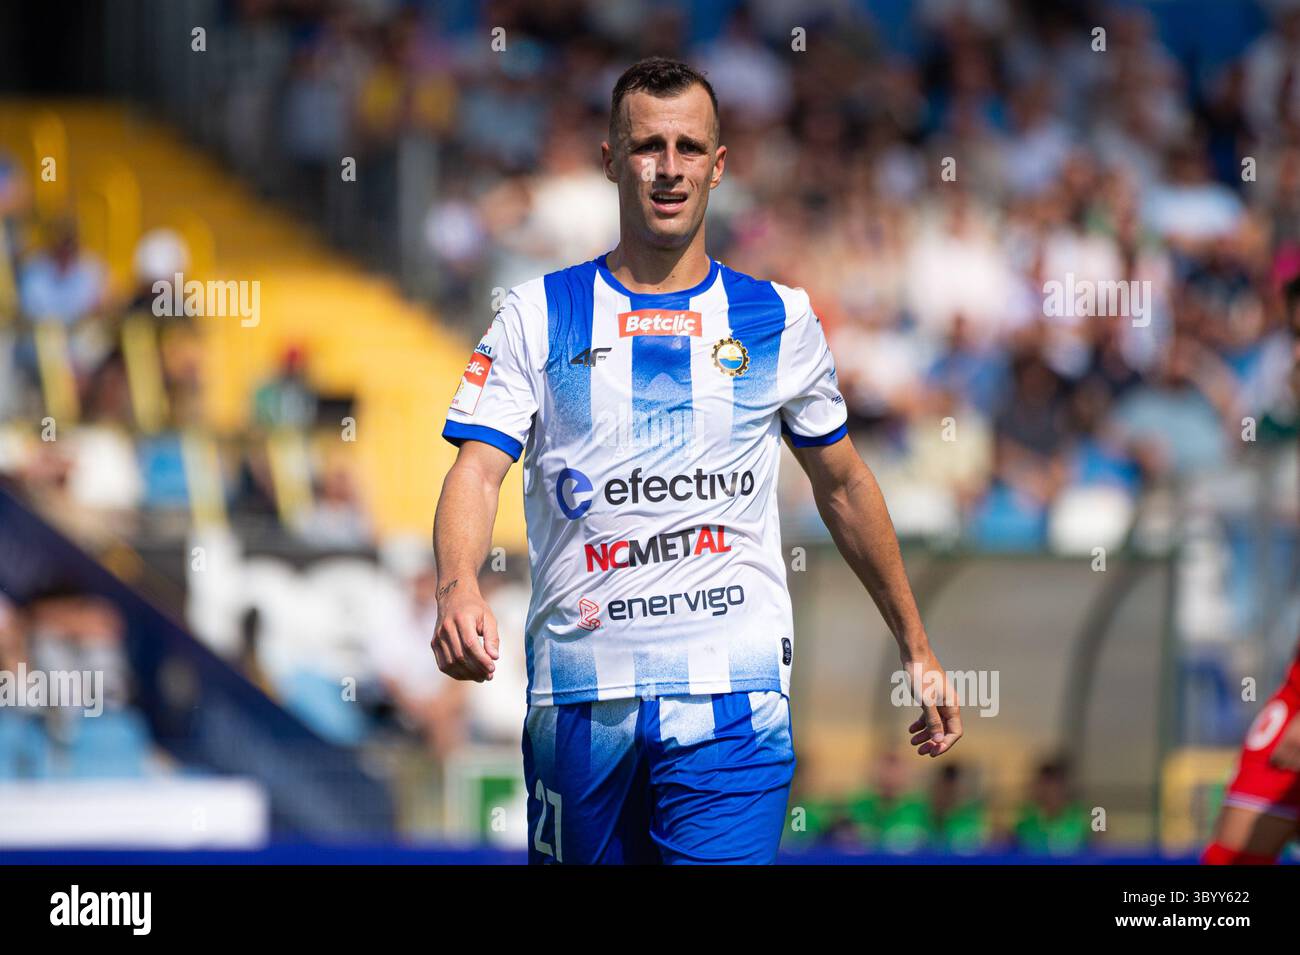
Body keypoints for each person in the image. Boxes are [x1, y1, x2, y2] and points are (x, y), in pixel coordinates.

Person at [432, 57, 963, 865]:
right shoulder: (536, 317)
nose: (669, 168)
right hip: (580, 692)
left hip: (735, 697)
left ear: (719, 165)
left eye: (689, 147)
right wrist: (457, 583)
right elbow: (476, 469)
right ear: (613, 160)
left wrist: (916, 644)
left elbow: (845, 484)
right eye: (648, 146)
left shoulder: (777, 319)